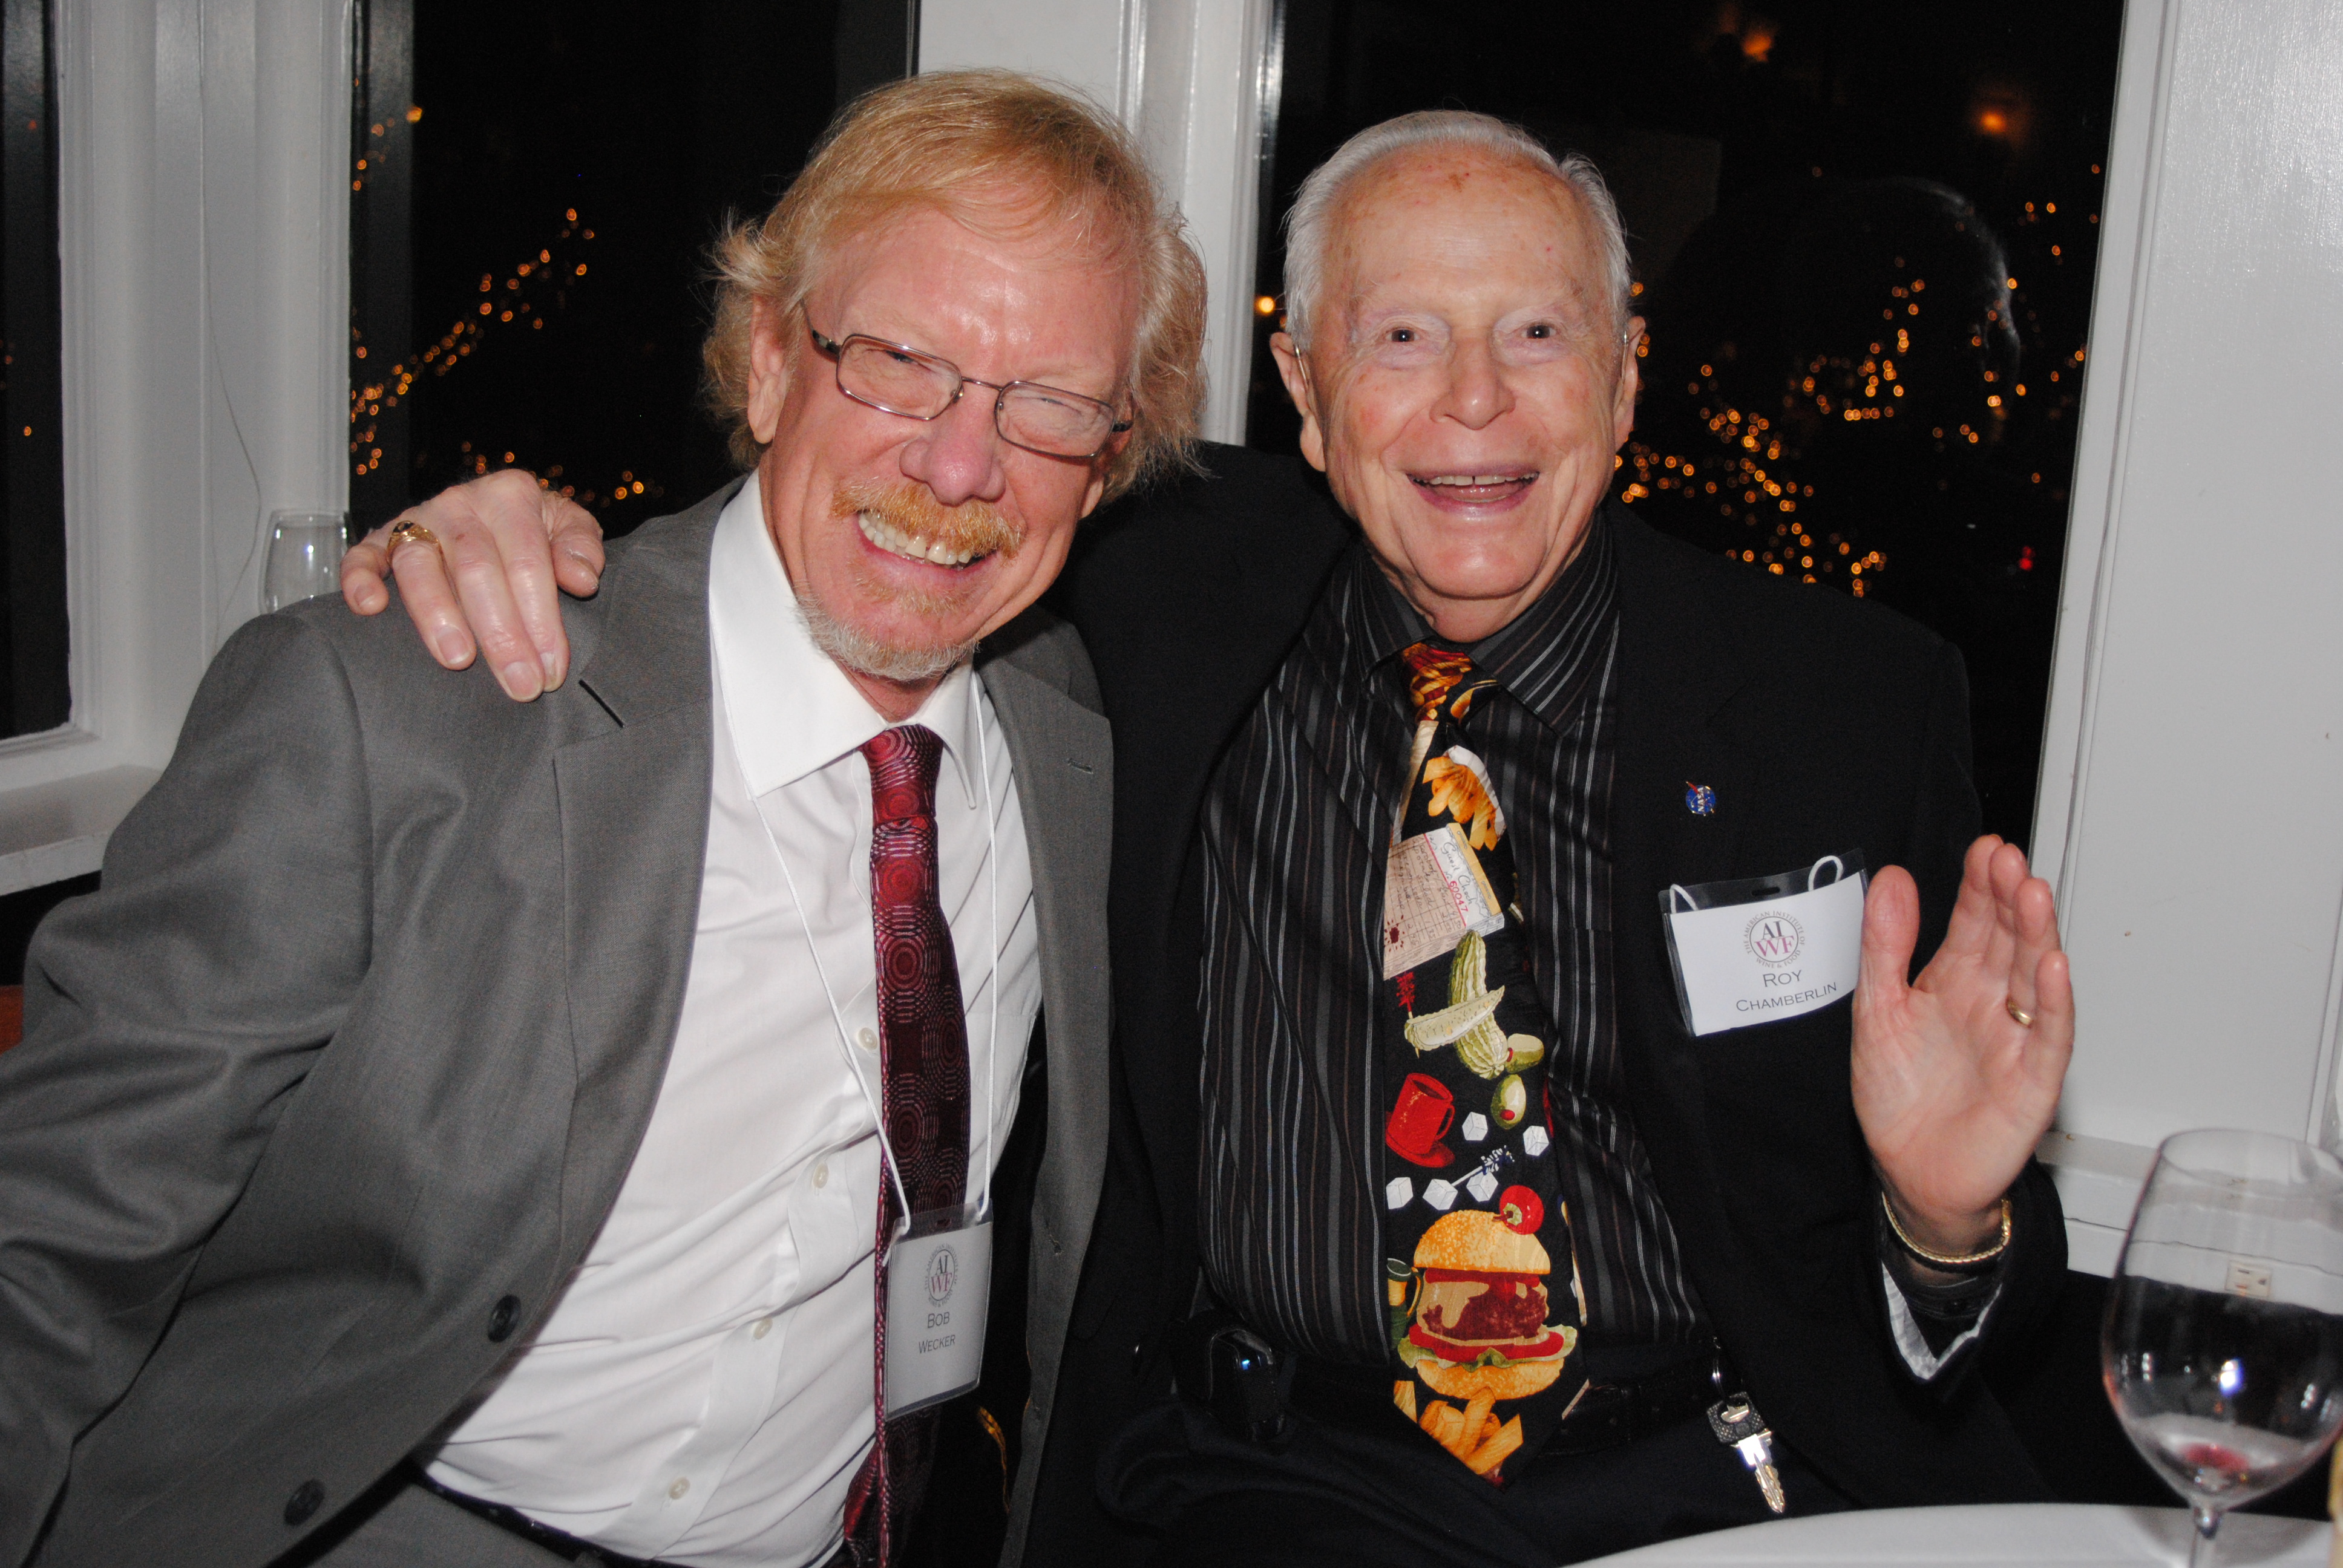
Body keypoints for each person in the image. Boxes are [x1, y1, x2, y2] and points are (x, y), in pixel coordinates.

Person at [347, 109, 2076, 1567]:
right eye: (1401, 339)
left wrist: (1945, 1220)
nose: (1475, 403)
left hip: (1709, 1490)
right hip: (1273, 1485)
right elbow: (873, 508)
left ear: (1627, 379)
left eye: (1539, 336)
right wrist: (524, 539)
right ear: (1305, 393)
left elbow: (1974, 1274)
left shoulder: (1842, 706)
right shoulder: (1163, 590)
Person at [0, 73, 1201, 1568]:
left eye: (1049, 407)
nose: (961, 466)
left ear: (1111, 456)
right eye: (899, 364)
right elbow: (49, 1238)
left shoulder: (1067, 727)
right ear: (769, 362)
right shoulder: (406, 706)